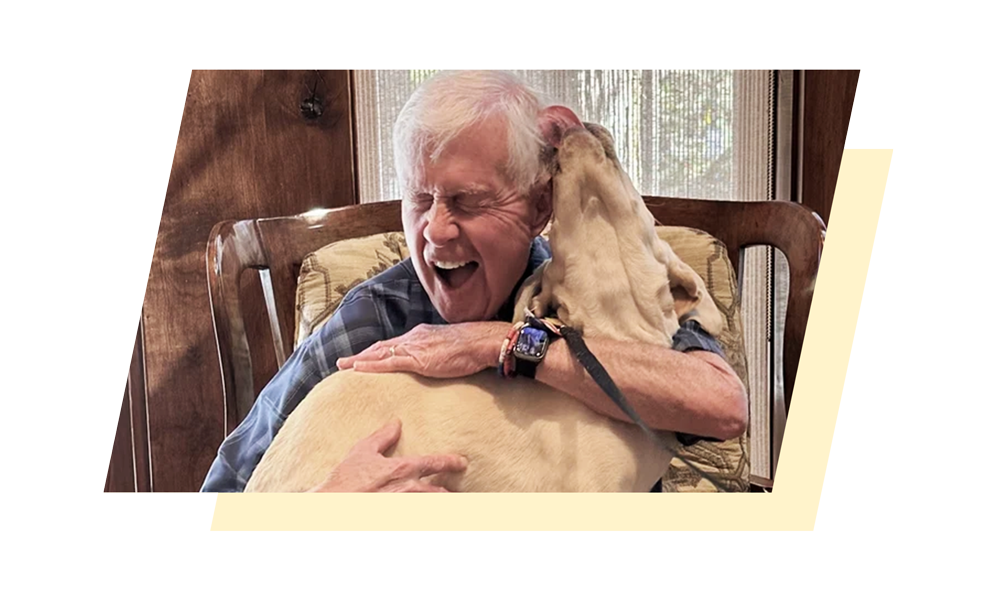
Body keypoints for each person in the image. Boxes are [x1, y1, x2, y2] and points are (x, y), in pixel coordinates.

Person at [200, 69, 748, 494]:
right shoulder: (378, 319)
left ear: (537, 209)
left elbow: (722, 406)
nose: (435, 231)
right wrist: (322, 508)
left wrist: (500, 343)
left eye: (468, 201)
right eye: (419, 199)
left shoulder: (597, 293)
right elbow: (218, 497)